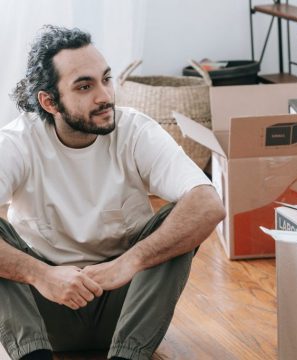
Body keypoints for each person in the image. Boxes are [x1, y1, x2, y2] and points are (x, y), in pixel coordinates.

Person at [0, 25, 225, 360]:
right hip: (45, 309)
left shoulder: (135, 130)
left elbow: (209, 205)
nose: (104, 95)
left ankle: (126, 356)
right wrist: (41, 274)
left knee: (180, 217)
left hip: (124, 306)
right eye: (84, 86)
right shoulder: (17, 142)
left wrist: (130, 262)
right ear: (49, 102)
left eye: (106, 79)